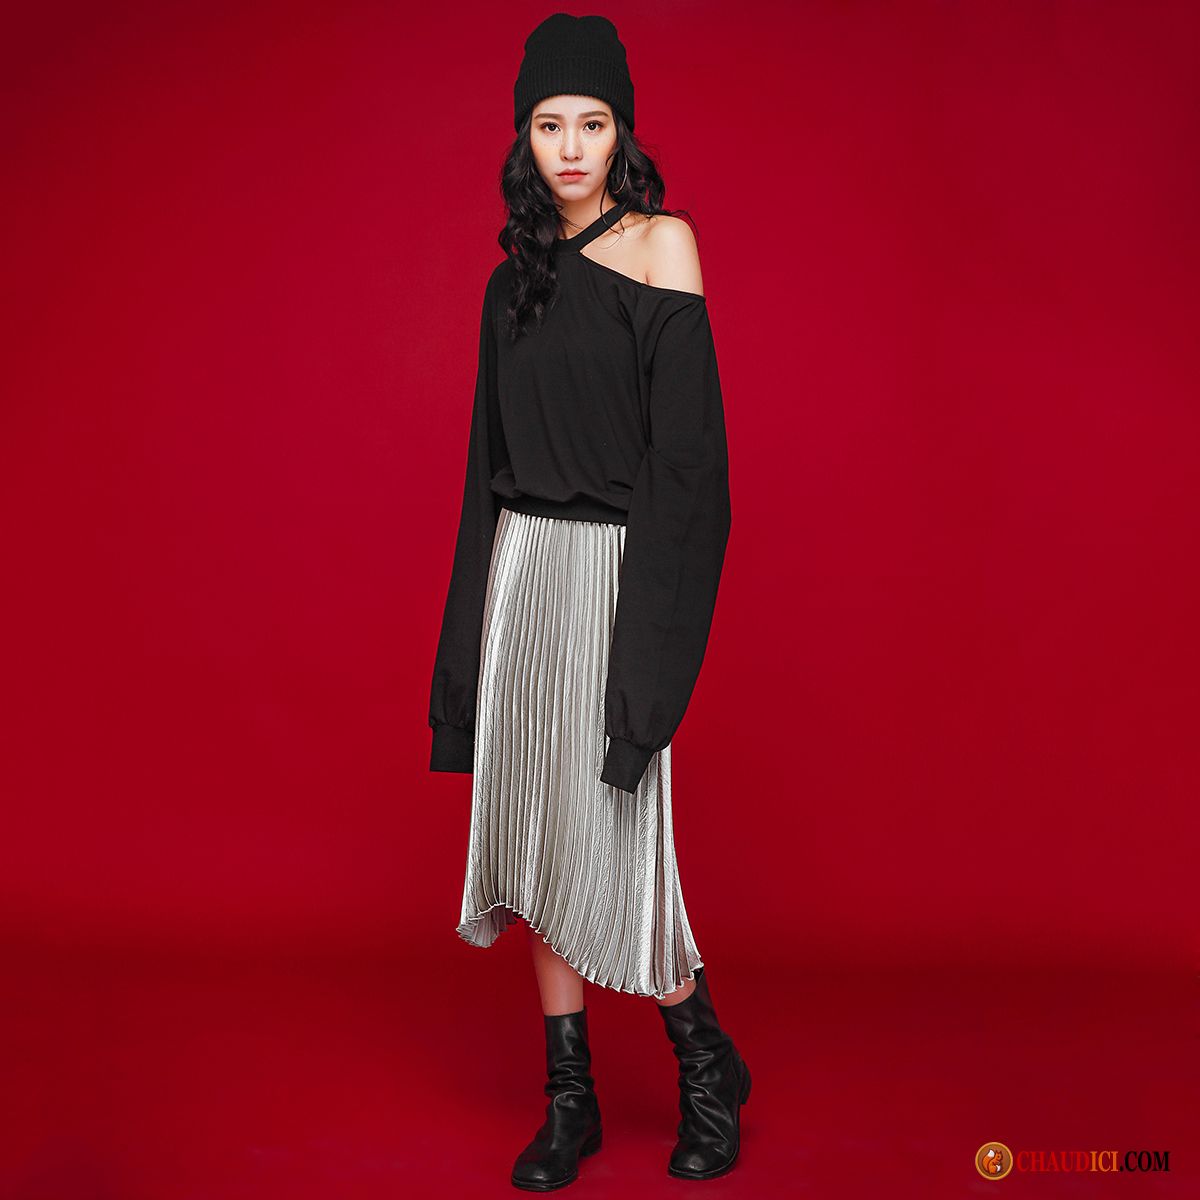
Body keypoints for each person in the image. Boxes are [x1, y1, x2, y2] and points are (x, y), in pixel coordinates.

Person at [427, 12, 749, 1189]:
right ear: (524, 138)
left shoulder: (664, 248)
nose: (571, 148)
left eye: (593, 123)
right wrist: (466, 655)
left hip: (618, 578)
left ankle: (701, 1061)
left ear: (623, 134)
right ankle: (572, 1099)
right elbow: (484, 478)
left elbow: (690, 473)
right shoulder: (508, 286)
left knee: (617, 836)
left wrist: (651, 657)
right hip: (523, 577)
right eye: (550, 125)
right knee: (533, 839)